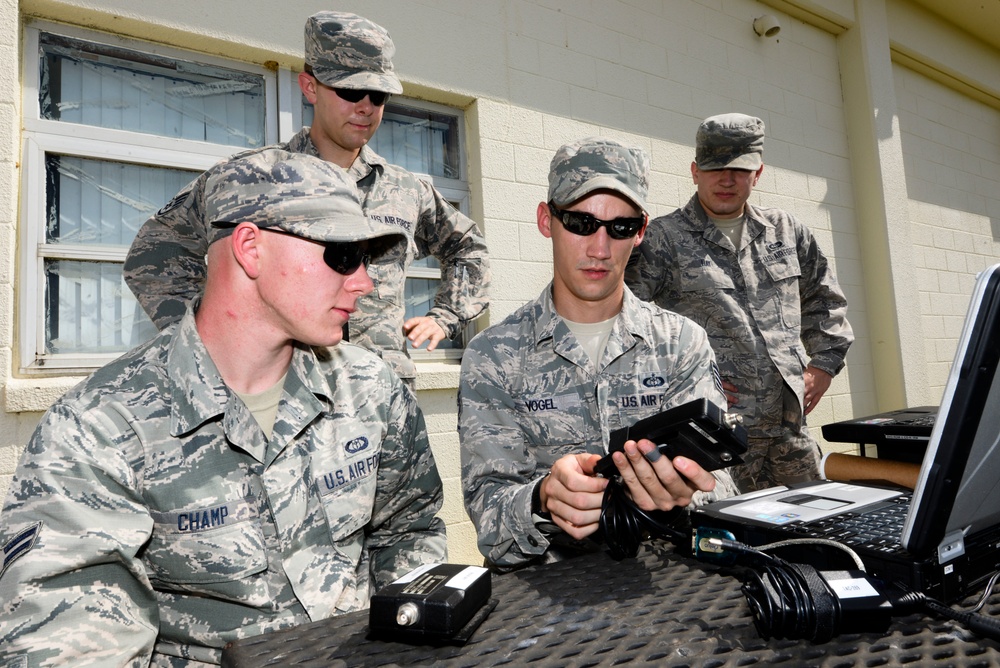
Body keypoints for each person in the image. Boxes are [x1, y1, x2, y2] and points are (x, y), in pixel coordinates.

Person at [0, 150, 447, 665]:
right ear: (251, 248)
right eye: (343, 255)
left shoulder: (371, 388)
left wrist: (406, 637)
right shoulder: (99, 429)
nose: (364, 282)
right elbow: (67, 645)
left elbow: (409, 530)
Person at [124, 11, 490, 387]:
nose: (365, 106)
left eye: (378, 95)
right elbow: (154, 254)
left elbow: (469, 248)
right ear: (310, 87)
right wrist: (207, 342)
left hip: (380, 395)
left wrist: (445, 315)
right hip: (286, 397)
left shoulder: (406, 190)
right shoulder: (255, 179)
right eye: (350, 91)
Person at [459, 137, 739, 571]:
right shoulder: (493, 356)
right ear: (546, 220)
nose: (600, 249)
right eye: (581, 223)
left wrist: (689, 489)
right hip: (546, 593)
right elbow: (489, 516)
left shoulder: (681, 343)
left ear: (641, 231)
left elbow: (721, 483)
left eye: (620, 227)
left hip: (668, 583)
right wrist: (542, 498)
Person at [625, 113, 854, 492]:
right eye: (715, 168)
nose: (727, 180)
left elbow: (824, 301)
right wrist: (680, 384)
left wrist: (823, 366)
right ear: (695, 171)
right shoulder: (661, 240)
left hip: (789, 432)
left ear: (758, 172)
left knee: (810, 536)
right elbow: (629, 326)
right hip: (716, 438)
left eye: (739, 169)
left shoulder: (786, 231)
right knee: (729, 540)